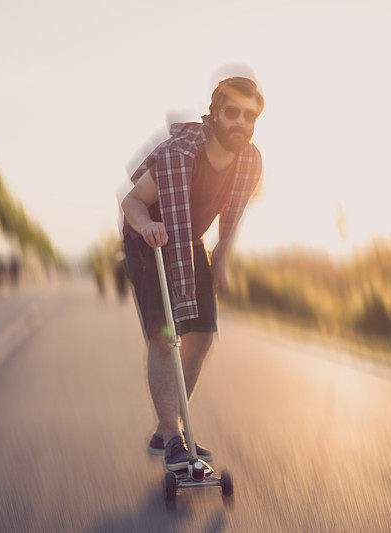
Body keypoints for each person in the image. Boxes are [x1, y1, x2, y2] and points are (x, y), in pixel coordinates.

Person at [120, 76, 264, 471]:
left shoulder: (250, 160)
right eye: (232, 112)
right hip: (147, 240)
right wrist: (146, 225)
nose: (240, 122)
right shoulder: (179, 154)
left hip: (189, 241)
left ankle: (170, 428)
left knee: (200, 336)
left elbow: (232, 215)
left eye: (249, 116)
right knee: (165, 338)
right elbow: (132, 201)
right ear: (214, 114)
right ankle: (172, 439)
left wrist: (222, 258)